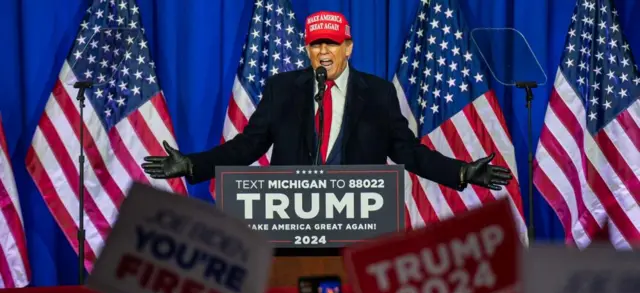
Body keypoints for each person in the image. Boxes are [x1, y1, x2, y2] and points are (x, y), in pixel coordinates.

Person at [142, 10, 512, 191]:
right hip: (289, 225)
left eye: (331, 44)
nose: (323, 52)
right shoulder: (282, 89)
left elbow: (407, 152)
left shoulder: (379, 93)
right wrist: (192, 165)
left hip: (359, 223)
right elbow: (246, 147)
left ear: (347, 48)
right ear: (306, 47)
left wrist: (461, 172)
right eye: (316, 44)